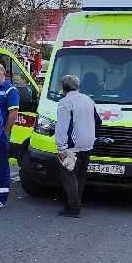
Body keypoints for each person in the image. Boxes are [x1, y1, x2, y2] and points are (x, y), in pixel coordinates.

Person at [53, 73, 96, 217]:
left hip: (73, 145)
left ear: (62, 87)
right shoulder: (88, 100)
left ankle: (73, 206)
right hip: (88, 143)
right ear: (77, 86)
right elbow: (98, 121)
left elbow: (63, 126)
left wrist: (61, 147)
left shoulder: (65, 102)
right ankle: (76, 202)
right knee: (80, 177)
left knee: (69, 175)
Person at [0, 63, 20, 208]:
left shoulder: (10, 91)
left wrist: (5, 133)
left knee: (2, 166)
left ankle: (1, 197)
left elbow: (13, 113)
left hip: (0, 134)